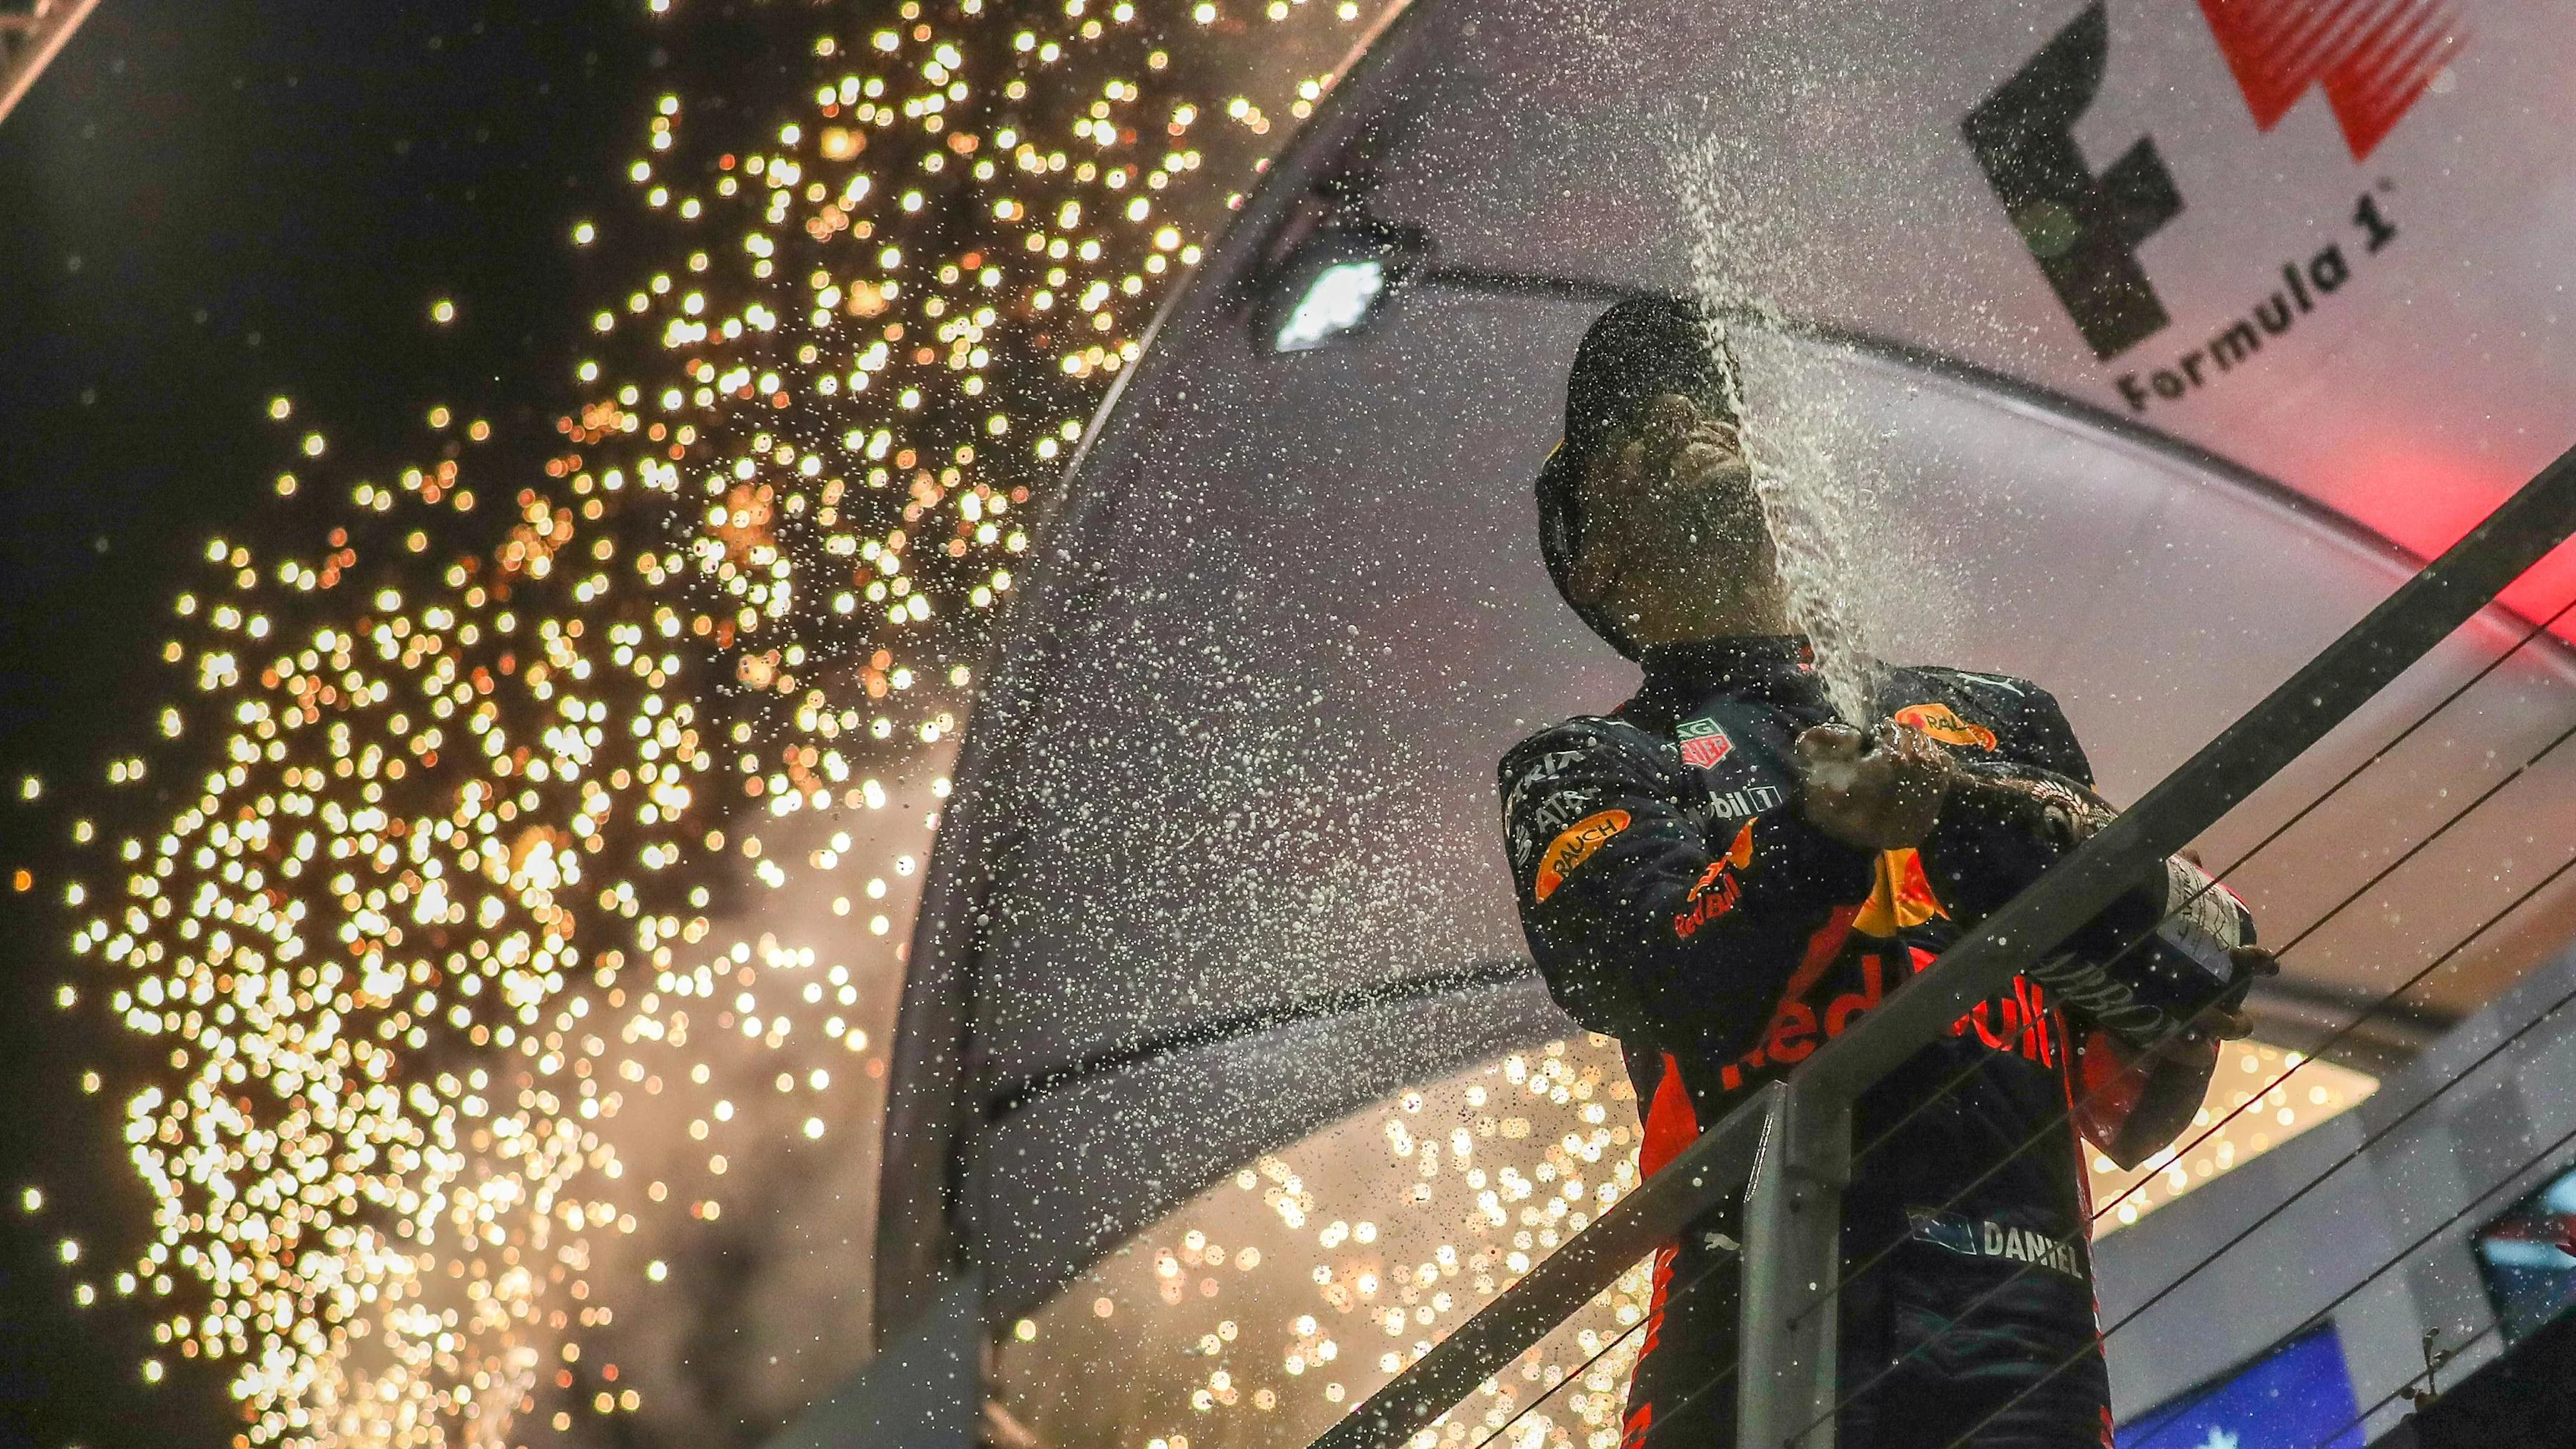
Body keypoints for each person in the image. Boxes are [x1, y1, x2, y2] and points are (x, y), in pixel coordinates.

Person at [1497, 298, 2270, 1449]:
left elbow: (2160, 1053)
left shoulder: (1999, 715)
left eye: (1703, 404)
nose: (1679, 421)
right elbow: (1667, 984)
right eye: (1631, 436)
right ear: (1597, 560)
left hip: (2030, 1355)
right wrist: (1820, 836)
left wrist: (1990, 832)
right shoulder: (1589, 762)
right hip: (1745, 1353)